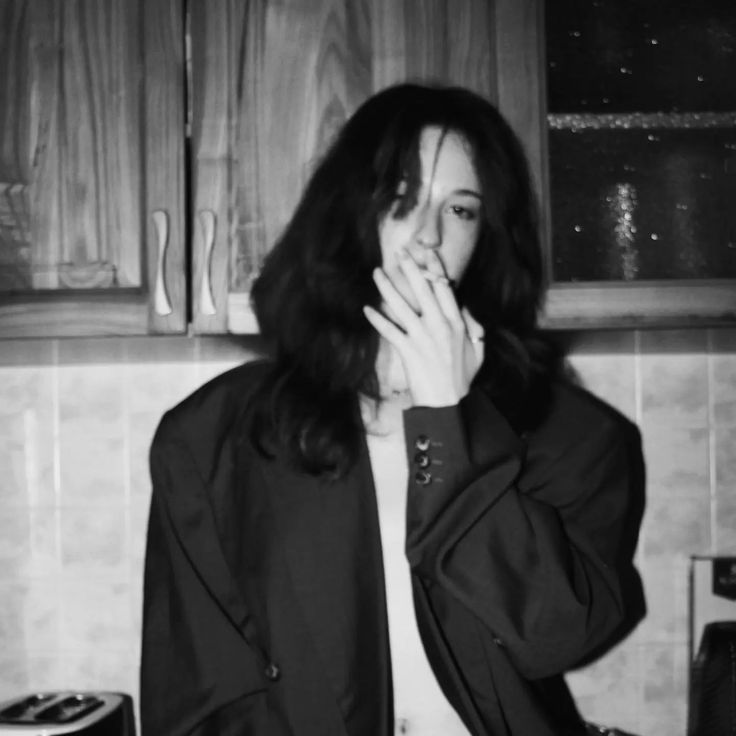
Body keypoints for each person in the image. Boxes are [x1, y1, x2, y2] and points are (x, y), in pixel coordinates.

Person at [140, 83, 645, 736]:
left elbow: (553, 636)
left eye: (461, 209)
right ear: (356, 213)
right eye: (403, 201)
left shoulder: (576, 436)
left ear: (486, 235)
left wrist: (448, 412)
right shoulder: (213, 439)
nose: (428, 236)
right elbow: (195, 697)